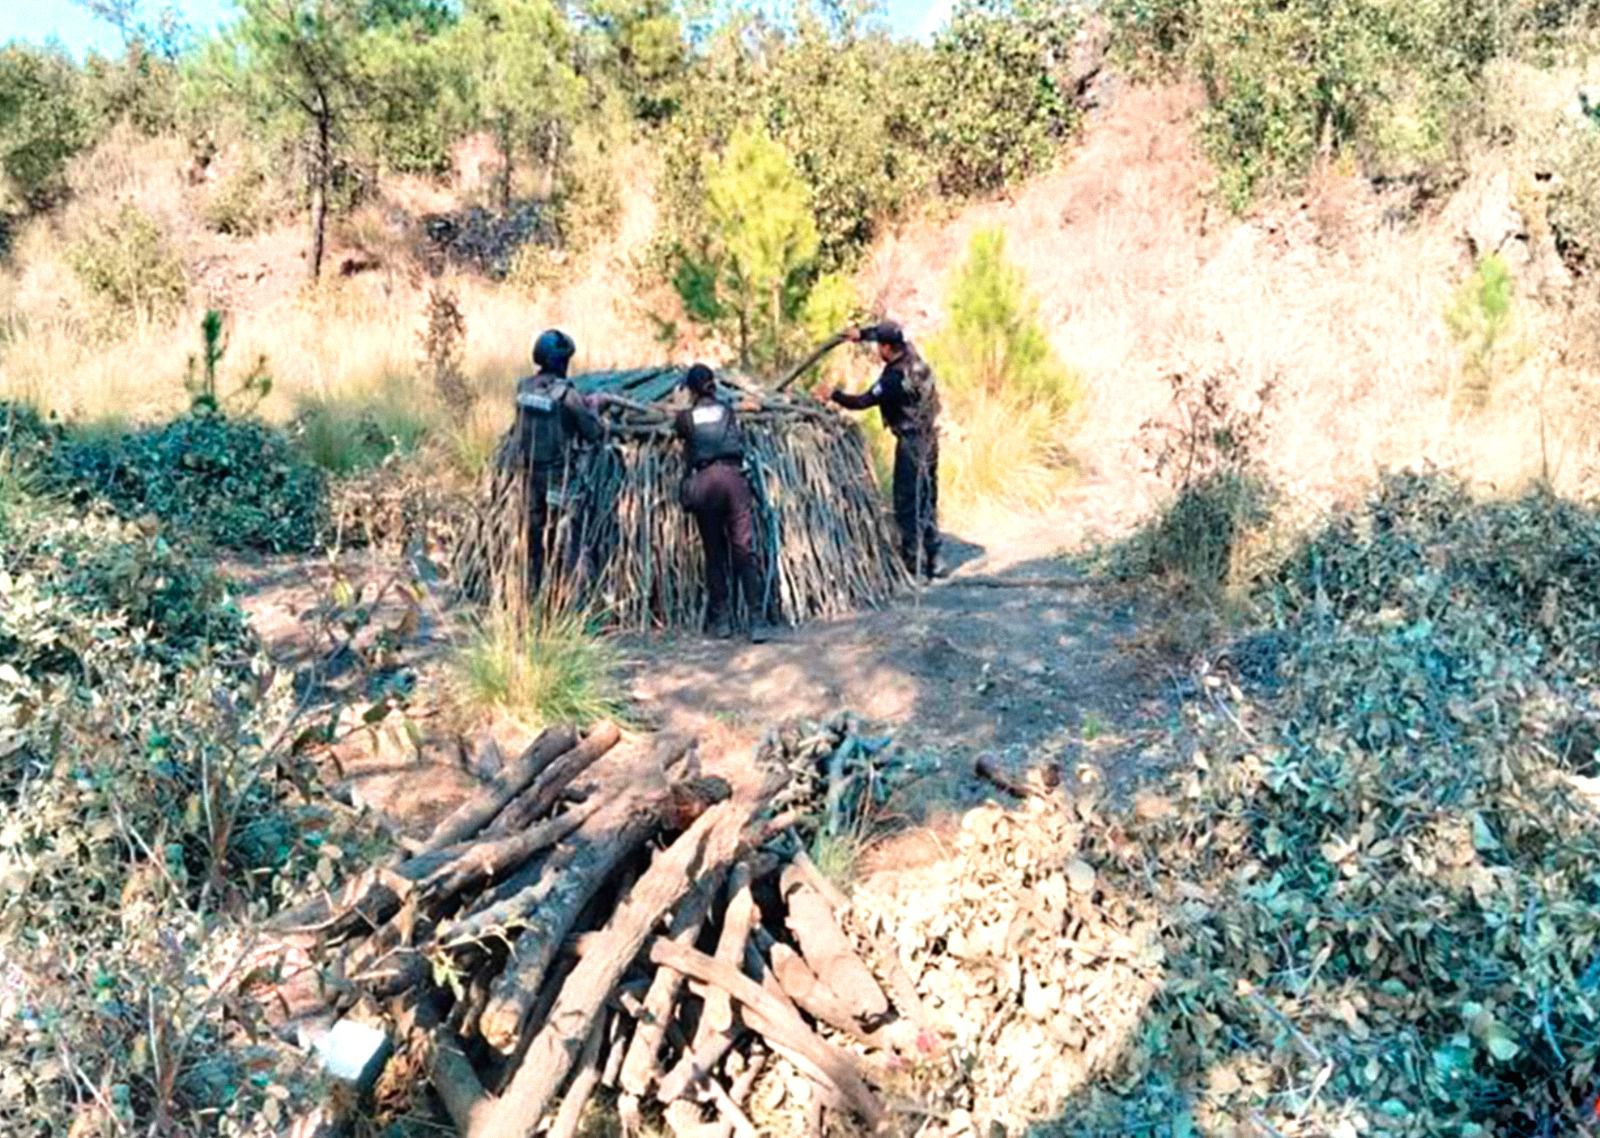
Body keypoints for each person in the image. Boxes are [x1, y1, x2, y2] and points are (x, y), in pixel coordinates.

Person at [823, 320, 945, 580]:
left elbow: (863, 401)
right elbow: (887, 333)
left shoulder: (893, 379)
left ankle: (913, 561)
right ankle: (935, 559)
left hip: (912, 443)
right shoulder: (912, 354)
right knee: (927, 496)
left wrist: (833, 395)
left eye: (879, 345)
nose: (877, 349)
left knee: (906, 500)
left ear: (887, 348)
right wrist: (861, 335)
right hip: (930, 439)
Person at [674, 363, 774, 643]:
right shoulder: (727, 410)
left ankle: (722, 621)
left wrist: (680, 403)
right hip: (733, 480)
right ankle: (756, 621)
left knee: (714, 551)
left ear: (691, 389)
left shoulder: (687, 417)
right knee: (744, 549)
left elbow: (679, 429)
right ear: (713, 385)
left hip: (705, 483)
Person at [512, 328, 604, 591]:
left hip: (529, 475)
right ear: (561, 361)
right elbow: (592, 432)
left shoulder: (523, 387)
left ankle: (533, 587)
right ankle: (565, 595)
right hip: (558, 477)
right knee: (565, 538)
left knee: (534, 534)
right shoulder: (567, 395)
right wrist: (594, 408)